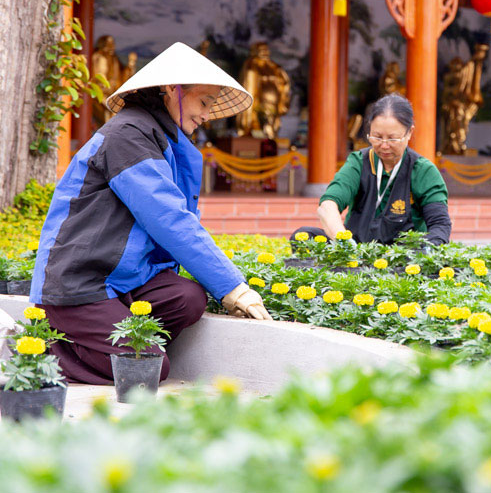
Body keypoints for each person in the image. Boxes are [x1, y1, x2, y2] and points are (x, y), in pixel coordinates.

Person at [31, 41, 272, 385]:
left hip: (124, 281)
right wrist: (233, 287)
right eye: (204, 102)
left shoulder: (160, 137)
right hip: (80, 283)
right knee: (148, 370)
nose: (207, 115)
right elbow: (169, 219)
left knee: (188, 297)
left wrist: (221, 286)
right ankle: (46, 351)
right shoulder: (127, 135)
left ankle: (107, 343)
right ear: (171, 90)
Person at [294, 94, 452, 245]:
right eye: (377, 137)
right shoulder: (358, 162)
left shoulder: (423, 170)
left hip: (403, 255)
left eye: (392, 138)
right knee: (303, 236)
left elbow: (440, 225)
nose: (383, 145)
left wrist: (424, 250)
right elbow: (328, 205)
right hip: (356, 248)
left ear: (409, 133)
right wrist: (344, 243)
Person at [235, 42, 291, 140]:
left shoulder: (274, 67)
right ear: (255, 52)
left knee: (272, 126)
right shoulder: (252, 65)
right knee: (258, 124)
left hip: (274, 103)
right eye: (262, 50)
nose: (265, 52)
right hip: (259, 103)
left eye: (266, 50)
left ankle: (271, 138)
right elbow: (249, 85)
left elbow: (284, 83)